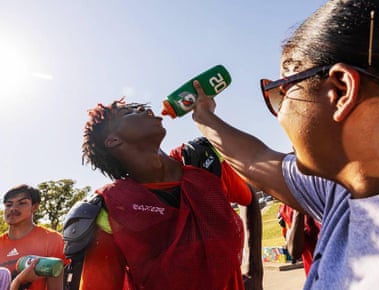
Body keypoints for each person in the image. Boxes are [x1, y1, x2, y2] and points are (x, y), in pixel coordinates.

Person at [191, 0, 379, 289]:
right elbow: (256, 159)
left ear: (340, 90)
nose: (279, 114)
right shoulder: (347, 191)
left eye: (283, 91)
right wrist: (204, 117)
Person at [79, 99, 261, 290]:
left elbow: (249, 199)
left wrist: (254, 271)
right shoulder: (112, 208)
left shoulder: (202, 160)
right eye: (128, 113)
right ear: (113, 141)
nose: (143, 109)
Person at [0, 184, 66, 290]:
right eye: (8, 205)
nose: (13, 208)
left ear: (34, 206)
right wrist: (19, 281)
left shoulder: (53, 240)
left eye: (22, 203)